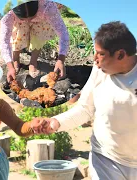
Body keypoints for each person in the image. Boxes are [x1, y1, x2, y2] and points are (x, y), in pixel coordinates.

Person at [34, 21, 137, 179]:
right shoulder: (98, 71)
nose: (94, 59)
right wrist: (55, 122)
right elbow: (85, 109)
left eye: (100, 53)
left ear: (120, 55)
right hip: (105, 160)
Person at [0, 0, 70, 82]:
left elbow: (63, 34)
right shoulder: (7, 13)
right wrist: (10, 67)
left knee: (39, 36)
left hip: (41, 20)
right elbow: (4, 41)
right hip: (17, 22)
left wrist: (61, 60)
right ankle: (15, 60)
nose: (28, 21)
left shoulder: (47, 6)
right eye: (24, 18)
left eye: (31, 17)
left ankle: (33, 62)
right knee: (18, 36)